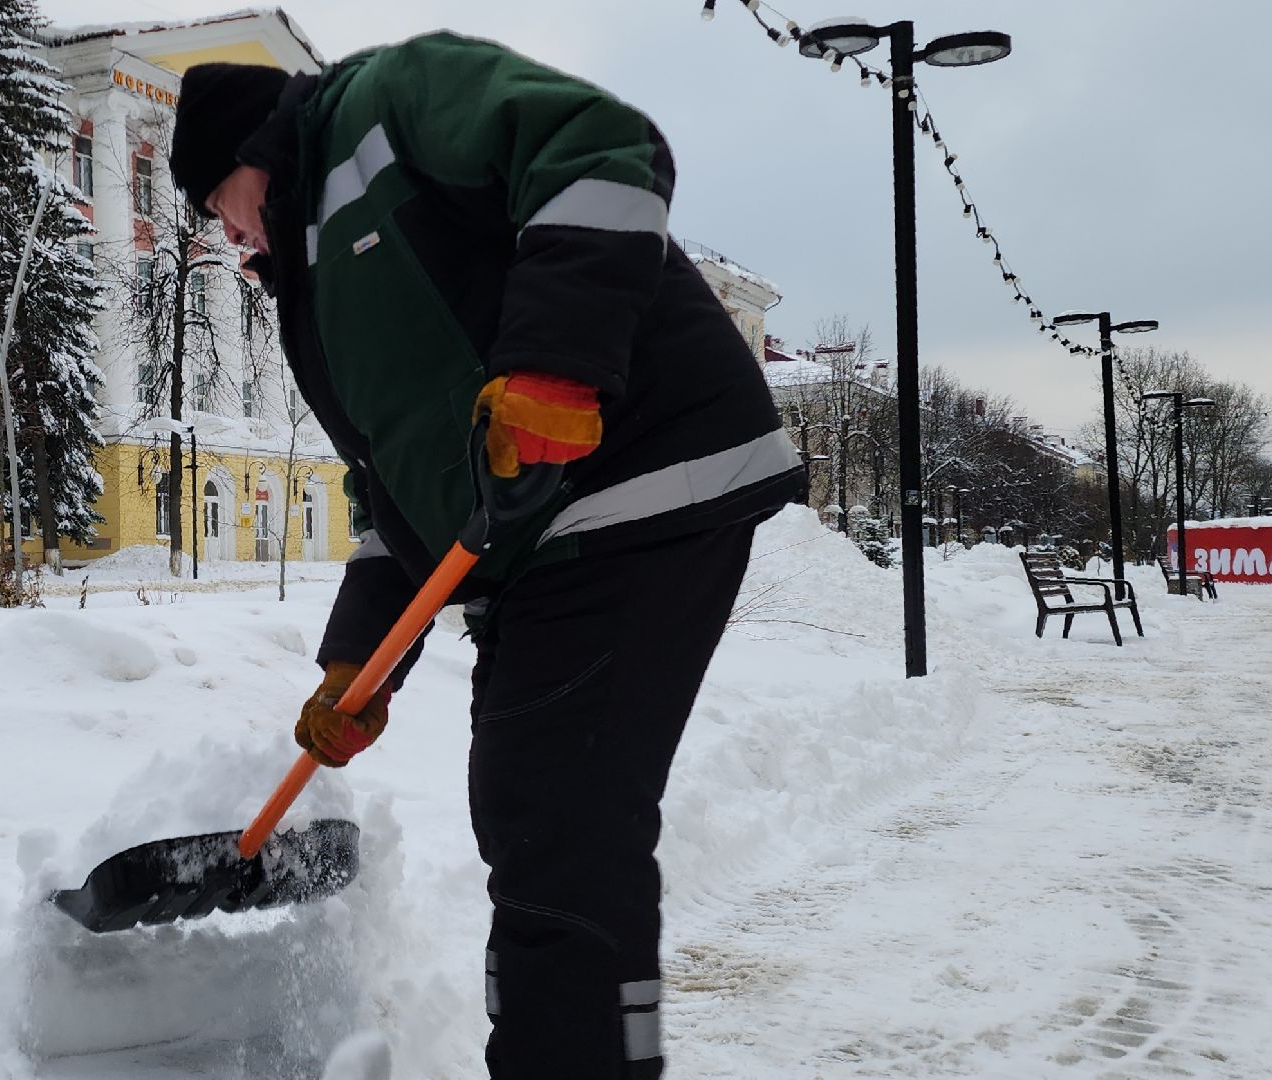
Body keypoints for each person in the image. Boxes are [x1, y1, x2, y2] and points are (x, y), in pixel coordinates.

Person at [168, 31, 805, 1079]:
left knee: (554, 820)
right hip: (544, 537)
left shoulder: (387, 99)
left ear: (246, 157)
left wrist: (554, 366)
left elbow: (598, 144)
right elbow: (396, 490)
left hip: (631, 480)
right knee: (537, 814)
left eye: (217, 206)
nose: (226, 233)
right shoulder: (316, 286)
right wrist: (355, 664)